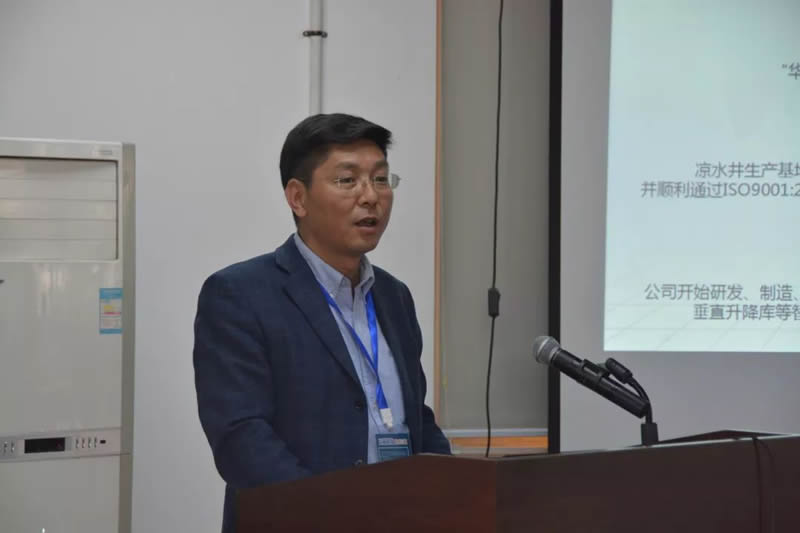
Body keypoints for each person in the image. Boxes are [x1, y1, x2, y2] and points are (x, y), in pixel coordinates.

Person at [193, 113, 451, 532]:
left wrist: (454, 495)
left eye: (381, 179)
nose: (371, 196)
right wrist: (332, 516)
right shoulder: (239, 295)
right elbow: (241, 439)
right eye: (348, 180)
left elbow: (415, 419)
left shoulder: (394, 297)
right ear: (298, 198)